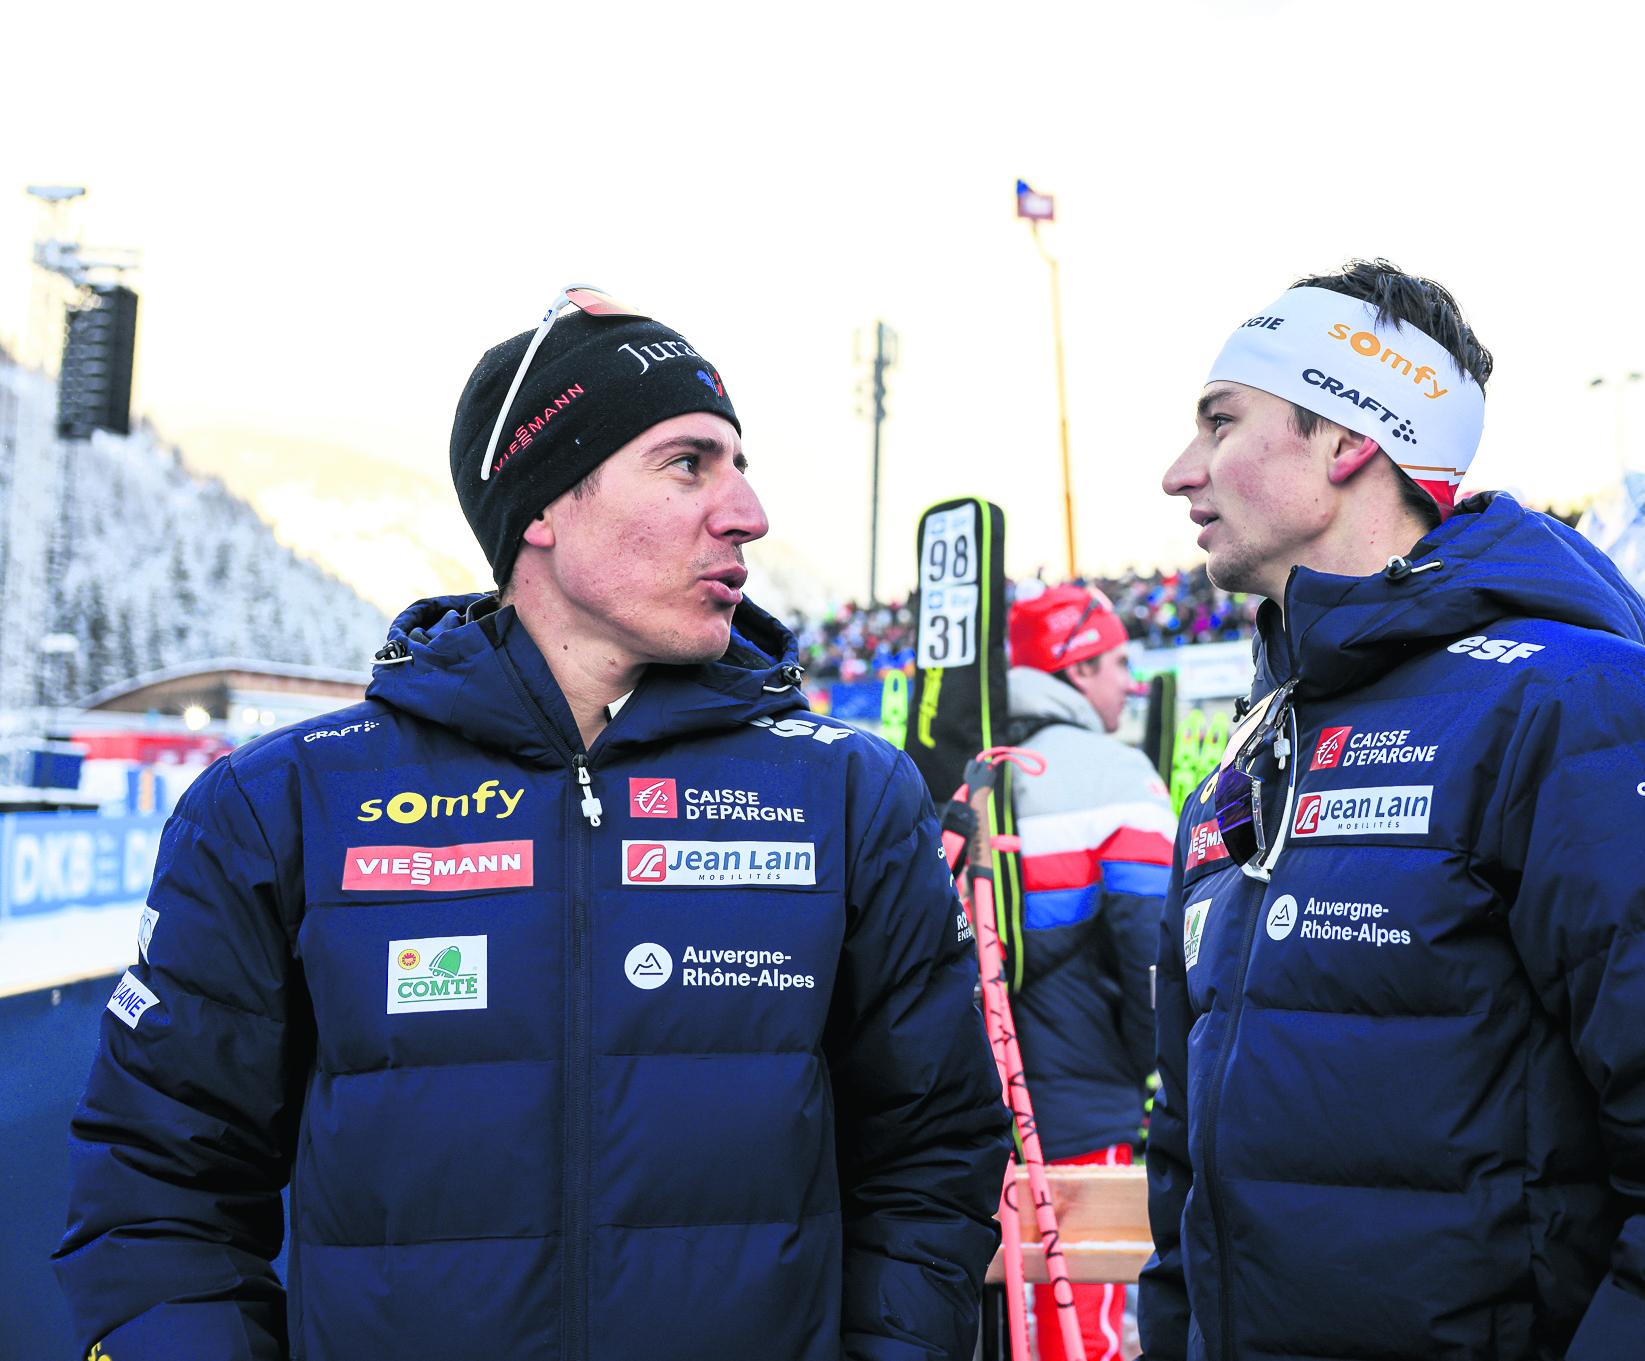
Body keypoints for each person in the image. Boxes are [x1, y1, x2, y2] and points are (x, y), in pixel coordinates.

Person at [55, 289, 1009, 1360]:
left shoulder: (845, 794)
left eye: (738, 465)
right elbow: (157, 1189)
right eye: (690, 463)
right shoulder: (283, 802)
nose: (747, 511)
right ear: (544, 505)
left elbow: (933, 1157)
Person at [1140, 260, 1645, 1359]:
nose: (1180, 472)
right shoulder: (1259, 741)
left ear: (1346, 442)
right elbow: (1194, 1170)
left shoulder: (1585, 706)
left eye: (1221, 423)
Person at [1002, 583, 1176, 1361]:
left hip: (989, 1105)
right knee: (1084, 1334)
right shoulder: (1113, 771)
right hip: (1086, 1107)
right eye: (1114, 664)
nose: (1127, 683)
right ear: (1075, 671)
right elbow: (1156, 947)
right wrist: (1152, 1061)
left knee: (1011, 1325)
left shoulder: (974, 762)